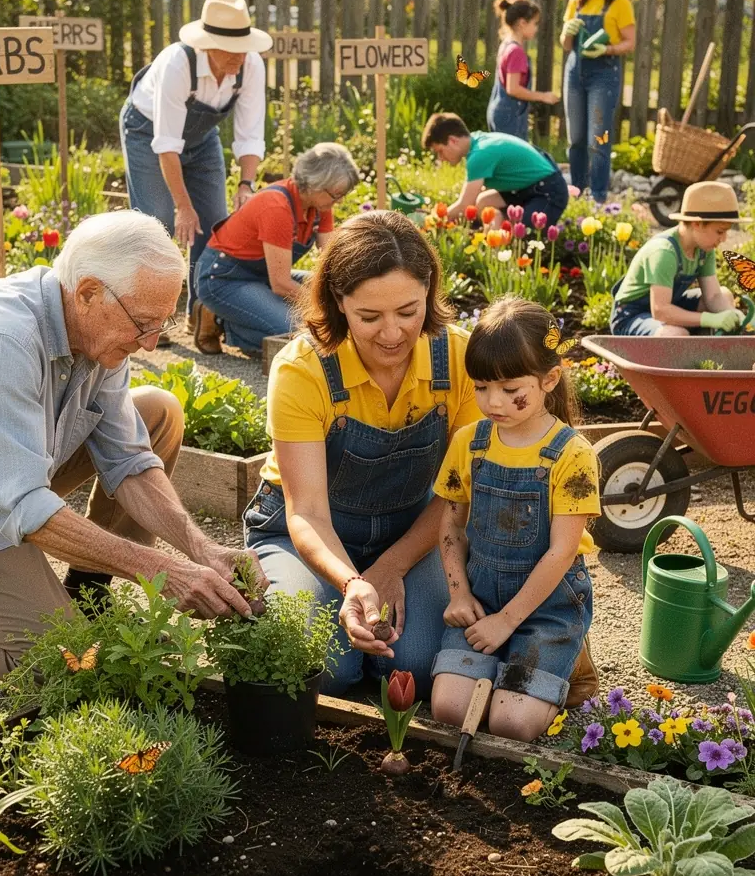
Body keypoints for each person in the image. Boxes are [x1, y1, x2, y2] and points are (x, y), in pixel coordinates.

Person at [243, 211, 600, 703]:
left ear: (429, 292)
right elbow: (306, 512)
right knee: (325, 670)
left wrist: (392, 566)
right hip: (309, 534)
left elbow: (462, 493)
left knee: (419, 666)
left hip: (416, 529)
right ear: (339, 302)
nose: (392, 333)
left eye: (407, 312)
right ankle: (290, 599)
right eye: (369, 317)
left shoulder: (457, 358)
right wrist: (353, 583)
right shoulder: (304, 371)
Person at [0, 211, 265, 682]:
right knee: (72, 663)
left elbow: (128, 459)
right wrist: (159, 570)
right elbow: (23, 506)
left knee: (158, 411)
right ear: (89, 292)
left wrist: (203, 549)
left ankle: (89, 588)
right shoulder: (2, 336)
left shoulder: (96, 328)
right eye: (144, 323)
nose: (152, 344)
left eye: (163, 325)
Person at [430, 296, 600, 741]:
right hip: (482, 596)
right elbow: (449, 523)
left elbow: (563, 551)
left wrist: (507, 622)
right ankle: (515, 666)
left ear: (549, 379)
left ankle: (569, 655)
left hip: (549, 605)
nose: (493, 401)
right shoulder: (471, 442)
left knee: (511, 725)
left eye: (510, 389)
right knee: (449, 709)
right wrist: (459, 593)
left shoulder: (573, 454)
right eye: (482, 387)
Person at [119, 0, 272, 354]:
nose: (240, 56)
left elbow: (250, 134)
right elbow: (167, 145)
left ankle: (201, 315)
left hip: (202, 139)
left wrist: (246, 185)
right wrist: (182, 206)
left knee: (215, 224)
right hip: (147, 133)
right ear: (209, 45)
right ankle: (146, 320)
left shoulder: (249, 67)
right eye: (231, 49)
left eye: (243, 47)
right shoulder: (178, 63)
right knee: (156, 225)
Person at [195, 143, 359, 358]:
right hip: (223, 278)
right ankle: (221, 321)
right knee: (305, 330)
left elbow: (331, 260)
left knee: (327, 293)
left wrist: (351, 292)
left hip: (261, 278)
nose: (339, 200)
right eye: (336, 194)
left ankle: (242, 320)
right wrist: (327, 308)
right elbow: (281, 284)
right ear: (315, 184)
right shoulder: (277, 208)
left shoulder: (320, 205)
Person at [610, 182, 748, 337]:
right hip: (631, 316)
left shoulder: (703, 248)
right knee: (676, 335)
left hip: (669, 306)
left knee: (725, 296)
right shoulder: (664, 252)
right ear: (697, 223)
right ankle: (689, 351)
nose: (724, 239)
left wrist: (735, 316)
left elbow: (713, 296)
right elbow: (660, 311)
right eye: (719, 231)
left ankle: (706, 349)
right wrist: (710, 319)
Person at [561, 0, 636, 203]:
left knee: (598, 137)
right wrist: (567, 31)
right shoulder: (577, 1)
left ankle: (599, 197)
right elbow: (566, 45)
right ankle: (577, 194)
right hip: (575, 72)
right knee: (577, 138)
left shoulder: (620, 3)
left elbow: (630, 42)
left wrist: (607, 48)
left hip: (603, 73)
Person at [422, 112, 569, 229]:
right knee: (484, 201)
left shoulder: (479, 155)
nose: (441, 158)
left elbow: (464, 205)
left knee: (521, 236)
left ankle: (503, 244)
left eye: (440, 151)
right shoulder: (478, 141)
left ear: (453, 140)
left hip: (549, 191)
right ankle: (495, 240)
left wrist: (431, 220)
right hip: (527, 188)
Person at [486, 0, 560, 141]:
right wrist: (543, 96)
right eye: (535, 23)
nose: (536, 28)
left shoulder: (506, 45)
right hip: (510, 117)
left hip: (498, 111)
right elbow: (513, 89)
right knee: (515, 160)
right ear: (522, 23)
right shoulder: (516, 52)